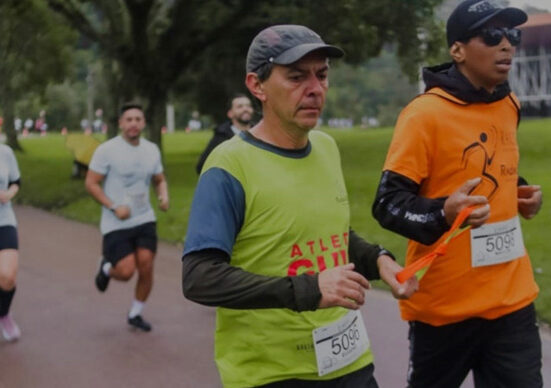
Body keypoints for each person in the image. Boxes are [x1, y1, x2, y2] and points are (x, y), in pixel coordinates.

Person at [182, 25, 418, 387]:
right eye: (296, 77)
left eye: (322, 75)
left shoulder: (326, 147)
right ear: (257, 85)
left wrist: (379, 260)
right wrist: (309, 290)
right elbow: (199, 277)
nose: (315, 89)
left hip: (350, 361)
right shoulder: (228, 166)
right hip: (273, 373)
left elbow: (329, 234)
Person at [372, 1, 543, 387]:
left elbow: (487, 168)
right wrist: (442, 214)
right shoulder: (424, 115)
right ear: (457, 50)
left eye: (512, 35)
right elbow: (387, 204)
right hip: (444, 310)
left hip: (511, 300)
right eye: (491, 35)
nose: (507, 45)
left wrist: (520, 191)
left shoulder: (508, 104)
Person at [85, 102, 169, 332]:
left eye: (138, 119)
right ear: (121, 123)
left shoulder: (152, 149)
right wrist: (113, 207)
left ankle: (136, 313)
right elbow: (91, 183)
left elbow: (159, 179)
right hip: (116, 222)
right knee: (125, 271)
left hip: (144, 218)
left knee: (146, 266)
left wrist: (163, 196)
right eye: (128, 119)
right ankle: (106, 269)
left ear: (143, 123)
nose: (133, 123)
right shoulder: (107, 150)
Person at [194, 93, 253, 174]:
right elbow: (202, 167)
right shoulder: (220, 138)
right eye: (240, 106)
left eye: (248, 106)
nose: (245, 109)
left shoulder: (261, 136)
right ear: (230, 113)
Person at [0, 143, 22, 341]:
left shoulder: (5, 152)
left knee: (7, 276)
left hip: (4, 220)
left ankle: (4, 314)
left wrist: (9, 193)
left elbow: (16, 181)